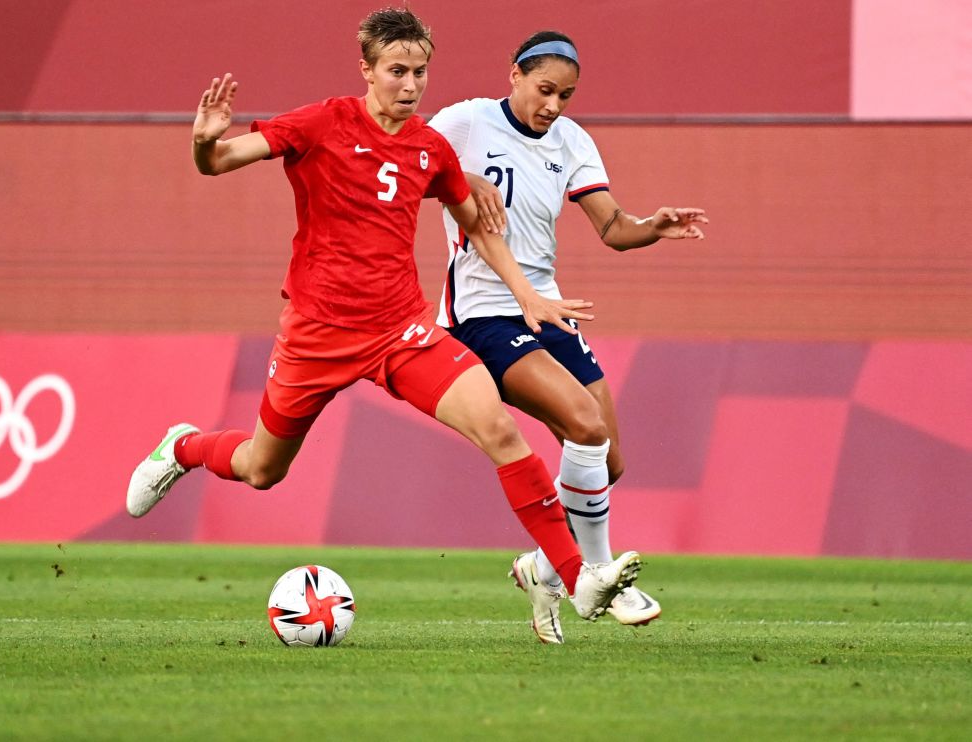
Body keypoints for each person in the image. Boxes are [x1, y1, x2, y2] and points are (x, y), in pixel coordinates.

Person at [125, 9, 643, 625]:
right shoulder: (321, 123)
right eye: (397, 71)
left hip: (402, 331)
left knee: (499, 432)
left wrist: (526, 293)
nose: (411, 85)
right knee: (261, 469)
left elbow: (477, 223)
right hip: (316, 335)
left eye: (420, 72)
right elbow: (219, 162)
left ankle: (576, 577)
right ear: (367, 71)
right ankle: (184, 447)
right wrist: (204, 141)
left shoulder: (430, 146)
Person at [428, 31, 708, 643]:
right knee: (585, 423)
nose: (553, 104)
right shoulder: (466, 122)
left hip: (548, 309)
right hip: (483, 313)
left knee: (609, 461)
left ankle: (544, 568)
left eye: (566, 95)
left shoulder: (572, 141)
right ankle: (601, 573)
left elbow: (611, 227)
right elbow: (409, 163)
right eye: (544, 89)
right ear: (515, 75)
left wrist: (650, 227)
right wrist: (461, 178)